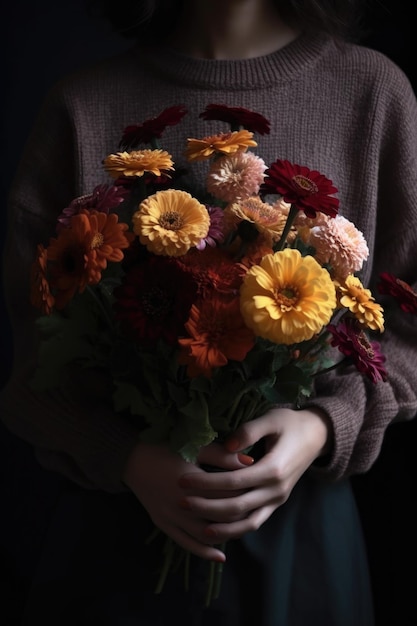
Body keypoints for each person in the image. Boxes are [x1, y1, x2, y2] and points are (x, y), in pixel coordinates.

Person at [1, 1, 417, 624]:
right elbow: (36, 359)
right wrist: (127, 456)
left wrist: (324, 426)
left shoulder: (373, 92)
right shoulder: (83, 107)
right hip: (118, 542)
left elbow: (408, 323)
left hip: (302, 540)